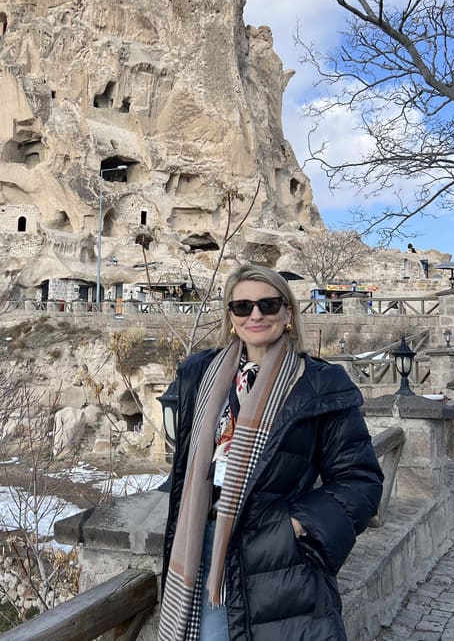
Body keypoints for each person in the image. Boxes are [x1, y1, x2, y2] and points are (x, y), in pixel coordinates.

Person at [159, 264, 383, 641]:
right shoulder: (199, 374)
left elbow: (360, 481)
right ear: (230, 317)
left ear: (288, 312)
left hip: (276, 558)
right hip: (200, 545)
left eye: (268, 304)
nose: (256, 315)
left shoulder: (318, 383)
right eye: (242, 307)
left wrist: (296, 527)